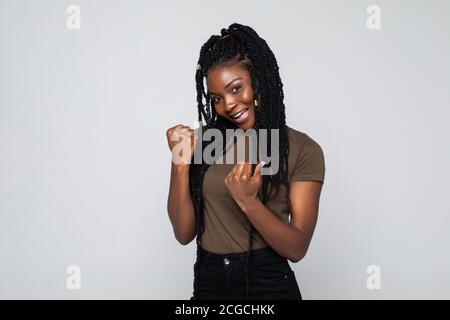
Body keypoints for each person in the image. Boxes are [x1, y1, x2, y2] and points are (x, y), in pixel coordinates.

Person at [166, 23, 325, 300]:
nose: (227, 105)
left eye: (236, 88)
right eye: (217, 98)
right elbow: (183, 233)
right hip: (209, 281)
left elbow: (297, 248)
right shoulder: (203, 144)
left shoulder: (301, 149)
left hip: (268, 283)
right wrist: (179, 164)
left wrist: (249, 203)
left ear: (259, 79)